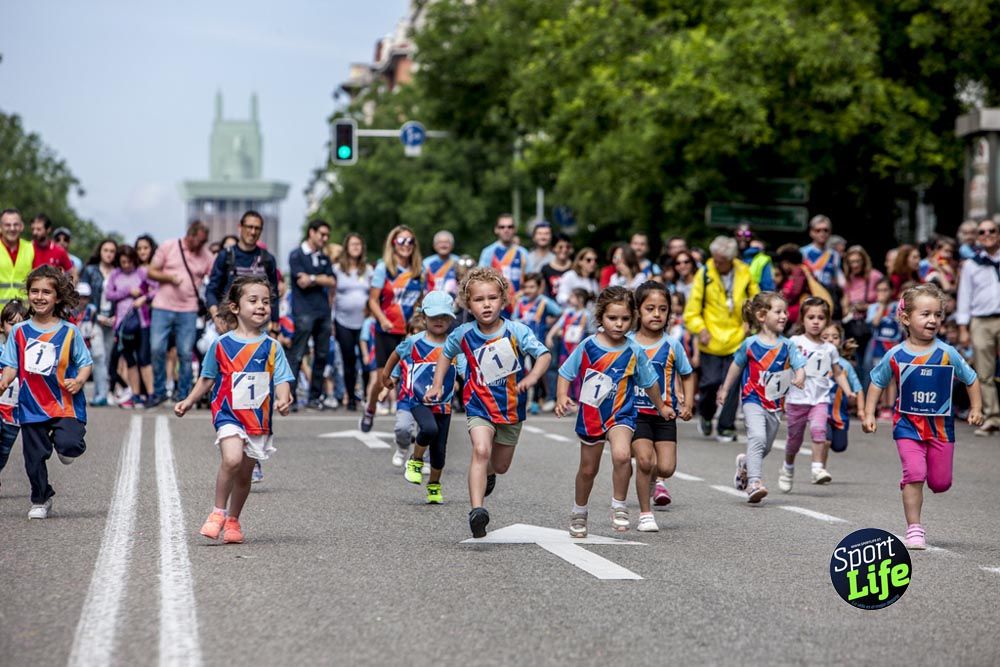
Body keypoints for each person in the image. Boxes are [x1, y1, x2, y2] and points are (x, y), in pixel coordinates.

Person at [424, 267, 551, 538]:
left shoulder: (516, 330)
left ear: (503, 299)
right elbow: (446, 354)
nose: (486, 304)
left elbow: (544, 355)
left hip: (511, 409)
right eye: (479, 300)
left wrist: (532, 377)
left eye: (492, 298)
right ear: (468, 304)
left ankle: (490, 474)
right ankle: (477, 511)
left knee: (500, 465)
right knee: (481, 450)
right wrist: (437, 385)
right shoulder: (463, 333)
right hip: (478, 405)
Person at [863, 283, 983, 549]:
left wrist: (976, 408)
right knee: (915, 473)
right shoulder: (895, 354)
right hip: (907, 427)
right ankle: (914, 529)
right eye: (925, 314)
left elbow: (971, 378)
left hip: (941, 430)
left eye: (937, 315)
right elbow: (877, 382)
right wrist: (868, 412)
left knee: (941, 483)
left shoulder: (947, 353)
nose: (933, 320)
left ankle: (916, 482)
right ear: (906, 318)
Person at [176, 277, 293, 543]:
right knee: (232, 459)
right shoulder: (220, 344)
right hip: (228, 415)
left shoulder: (272, 347)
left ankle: (233, 520)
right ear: (235, 307)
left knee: (244, 475)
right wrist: (189, 400)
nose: (261, 306)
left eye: (266, 301)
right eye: (253, 301)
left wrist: (284, 399)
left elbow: (282, 378)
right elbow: (207, 377)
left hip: (257, 420)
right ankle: (218, 512)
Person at [556, 286, 672, 537]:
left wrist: (661, 405)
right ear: (600, 318)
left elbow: (650, 382)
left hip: (622, 414)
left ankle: (619, 505)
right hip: (591, 415)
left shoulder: (633, 350)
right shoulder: (588, 346)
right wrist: (562, 397)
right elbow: (565, 372)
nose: (619, 324)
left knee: (621, 456)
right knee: (588, 469)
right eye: (612, 318)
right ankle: (579, 510)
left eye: (625, 319)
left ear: (633, 319)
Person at [0, 266, 92, 519]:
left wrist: (80, 380)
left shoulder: (69, 331)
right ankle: (41, 498)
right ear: (28, 294)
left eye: (46, 292)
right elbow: (11, 365)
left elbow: (85, 362)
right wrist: (4, 382)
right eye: (34, 291)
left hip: (64, 404)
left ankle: (62, 444)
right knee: (33, 458)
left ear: (57, 297)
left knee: (70, 445)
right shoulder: (19, 332)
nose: (39, 297)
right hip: (31, 407)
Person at [379, 292, 466, 503]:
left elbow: (466, 372)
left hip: (444, 404)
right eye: (434, 316)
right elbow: (395, 355)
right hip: (418, 400)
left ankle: (434, 486)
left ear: (451, 319)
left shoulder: (454, 345)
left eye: (444, 317)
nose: (439, 321)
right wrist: (386, 376)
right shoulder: (414, 342)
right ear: (424, 317)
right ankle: (415, 460)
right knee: (429, 429)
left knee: (439, 452)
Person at [719, 292, 805, 502]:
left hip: (775, 404)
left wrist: (800, 376)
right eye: (778, 312)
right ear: (761, 316)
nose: (784, 316)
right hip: (752, 400)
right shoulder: (750, 344)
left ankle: (745, 464)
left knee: (764, 446)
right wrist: (725, 389)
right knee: (756, 438)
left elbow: (799, 365)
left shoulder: (787, 345)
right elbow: (736, 366)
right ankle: (754, 482)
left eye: (785, 312)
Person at [629, 282, 694, 524]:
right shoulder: (627, 343)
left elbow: (686, 373)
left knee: (665, 468)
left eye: (663, 309)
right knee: (646, 461)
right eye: (650, 308)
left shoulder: (672, 345)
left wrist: (687, 403)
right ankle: (646, 513)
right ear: (637, 311)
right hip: (634, 413)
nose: (657, 314)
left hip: (664, 414)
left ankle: (654, 481)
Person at [683, 236, 758, 442]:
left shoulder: (744, 271)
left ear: (732, 258)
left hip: (737, 337)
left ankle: (726, 425)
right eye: (715, 259)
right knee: (710, 382)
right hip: (711, 338)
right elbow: (691, 310)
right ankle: (706, 415)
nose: (717, 263)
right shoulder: (704, 273)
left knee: (732, 383)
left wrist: (749, 321)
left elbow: (756, 299)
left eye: (721, 260)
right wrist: (700, 329)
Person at [782, 297, 854, 491]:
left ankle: (817, 468)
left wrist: (849, 391)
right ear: (802, 320)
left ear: (827, 321)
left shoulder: (829, 348)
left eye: (821, 318)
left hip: (819, 398)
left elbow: (838, 372)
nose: (815, 321)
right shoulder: (795, 342)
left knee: (818, 429)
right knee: (794, 441)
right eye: (811, 317)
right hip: (797, 399)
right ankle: (788, 467)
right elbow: (784, 366)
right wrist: (779, 392)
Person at [360, 225, 424, 430]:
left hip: (409, 333)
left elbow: (421, 301)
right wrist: (383, 320)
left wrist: (419, 321)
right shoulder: (383, 269)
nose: (406, 246)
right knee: (382, 379)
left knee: (412, 378)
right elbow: (373, 300)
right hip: (386, 331)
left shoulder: (419, 271)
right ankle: (370, 408)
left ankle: (409, 421)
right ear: (393, 244)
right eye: (401, 241)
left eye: (410, 241)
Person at [146, 221, 213, 407]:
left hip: (188, 309)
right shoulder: (169, 246)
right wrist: (169, 277)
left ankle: (183, 394)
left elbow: (215, 277)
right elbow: (151, 271)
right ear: (190, 236)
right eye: (199, 241)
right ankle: (159, 391)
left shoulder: (206, 256)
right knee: (157, 348)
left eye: (204, 242)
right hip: (163, 306)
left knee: (185, 352)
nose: (201, 246)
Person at [285, 220, 336, 411]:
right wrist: (320, 279)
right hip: (303, 312)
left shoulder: (324, 257)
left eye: (327, 235)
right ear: (311, 232)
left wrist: (313, 278)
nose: (325, 238)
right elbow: (301, 281)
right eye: (322, 234)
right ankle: (291, 396)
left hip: (323, 312)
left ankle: (315, 396)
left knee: (321, 355)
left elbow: (331, 280)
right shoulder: (297, 254)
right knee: (297, 354)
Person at [955, 218, 1000, 436]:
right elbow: (964, 296)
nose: (987, 234)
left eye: (992, 230)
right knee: (985, 372)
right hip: (981, 320)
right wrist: (963, 327)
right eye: (982, 232)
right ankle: (992, 416)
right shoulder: (972, 264)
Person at [205, 211, 280, 337]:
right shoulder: (225, 256)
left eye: (257, 228)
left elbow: (274, 295)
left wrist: (275, 324)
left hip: (260, 327)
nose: (253, 232)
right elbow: (211, 290)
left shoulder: (267, 259)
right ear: (240, 227)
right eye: (249, 227)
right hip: (230, 324)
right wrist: (216, 316)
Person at [103, 245, 157, 408]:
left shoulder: (141, 272)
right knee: (129, 360)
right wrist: (127, 291)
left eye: (129, 262)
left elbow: (156, 289)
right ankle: (135, 394)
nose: (126, 265)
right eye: (123, 262)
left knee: (144, 358)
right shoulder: (115, 274)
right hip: (122, 323)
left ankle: (151, 394)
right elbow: (109, 294)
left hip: (142, 322)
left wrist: (144, 298)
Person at [333, 232, 373, 411]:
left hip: (364, 321)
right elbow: (331, 296)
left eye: (359, 244)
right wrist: (331, 320)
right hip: (343, 321)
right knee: (348, 360)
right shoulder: (337, 269)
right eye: (352, 244)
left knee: (366, 361)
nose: (356, 247)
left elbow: (374, 294)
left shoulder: (369, 270)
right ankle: (350, 398)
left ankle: (366, 396)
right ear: (346, 248)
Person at [513, 273, 562, 413]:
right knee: (520, 371)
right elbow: (514, 318)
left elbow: (560, 312)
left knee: (537, 373)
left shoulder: (544, 301)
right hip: (520, 344)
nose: (528, 290)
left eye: (532, 286)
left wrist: (549, 323)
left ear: (539, 287)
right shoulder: (520, 301)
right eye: (526, 287)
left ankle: (535, 401)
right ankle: (520, 400)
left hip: (536, 345)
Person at [80, 239, 119, 406]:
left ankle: (102, 391)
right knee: (98, 355)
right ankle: (101, 394)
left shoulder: (118, 272)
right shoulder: (90, 271)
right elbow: (82, 295)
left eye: (112, 251)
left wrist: (117, 316)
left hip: (112, 319)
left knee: (107, 357)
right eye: (106, 250)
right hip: (95, 318)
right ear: (100, 252)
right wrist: (95, 316)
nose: (109, 254)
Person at [821, 323, 863, 464]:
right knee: (825, 440)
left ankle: (819, 464)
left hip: (839, 414)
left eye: (835, 337)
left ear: (840, 341)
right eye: (825, 337)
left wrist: (861, 410)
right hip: (821, 410)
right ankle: (819, 467)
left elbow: (858, 388)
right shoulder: (815, 360)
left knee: (839, 446)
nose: (831, 340)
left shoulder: (845, 365)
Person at [863, 278, 902, 418]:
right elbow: (874, 323)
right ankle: (881, 405)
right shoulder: (874, 307)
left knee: (892, 378)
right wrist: (881, 307)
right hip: (878, 346)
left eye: (885, 290)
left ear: (891, 291)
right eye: (879, 290)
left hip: (893, 345)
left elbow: (901, 324)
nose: (882, 293)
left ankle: (890, 407)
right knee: (881, 377)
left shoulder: (897, 306)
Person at [0, 299, 28, 491]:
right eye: (11, 323)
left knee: (3, 453)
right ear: (2, 326)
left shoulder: (29, 353)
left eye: (20, 323)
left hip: (14, 414)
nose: (15, 328)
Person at [478, 214, 529, 311]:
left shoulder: (523, 253)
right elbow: (481, 280)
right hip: (496, 306)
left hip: (519, 305)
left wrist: (523, 293)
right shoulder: (488, 252)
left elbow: (532, 280)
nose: (506, 230)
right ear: (496, 230)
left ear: (515, 230)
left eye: (510, 227)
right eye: (502, 227)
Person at [799, 215, 844, 295]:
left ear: (830, 232)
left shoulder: (834, 255)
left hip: (827, 295)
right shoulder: (802, 252)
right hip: (807, 294)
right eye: (818, 230)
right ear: (811, 232)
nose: (822, 233)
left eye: (825, 230)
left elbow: (839, 279)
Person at [0, 209, 35, 306]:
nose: (12, 228)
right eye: (7, 225)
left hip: (24, 314)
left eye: (16, 224)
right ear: (0, 227)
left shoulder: (31, 248)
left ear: (21, 226)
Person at [735, 224, 774, 290]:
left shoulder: (762, 260)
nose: (743, 237)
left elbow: (768, 289)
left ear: (752, 237)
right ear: (735, 236)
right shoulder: (729, 257)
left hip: (753, 299)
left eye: (747, 234)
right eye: (739, 234)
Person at [423, 230, 459, 296]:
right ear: (434, 246)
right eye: (440, 242)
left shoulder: (458, 262)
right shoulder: (426, 263)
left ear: (452, 245)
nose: (443, 245)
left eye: (446, 242)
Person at [540, 233, 573, 299]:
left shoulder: (574, 268)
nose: (564, 250)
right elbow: (542, 292)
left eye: (567, 247)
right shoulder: (546, 269)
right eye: (560, 247)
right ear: (553, 248)